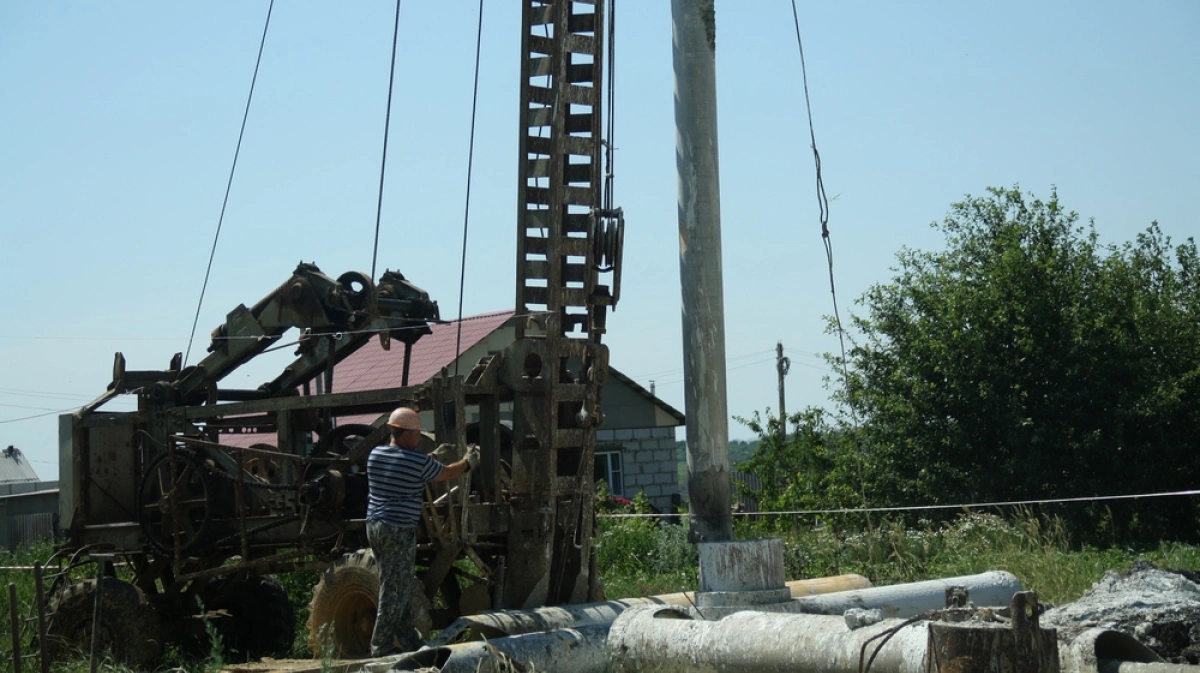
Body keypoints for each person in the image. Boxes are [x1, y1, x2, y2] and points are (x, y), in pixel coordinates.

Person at [366, 406, 479, 656]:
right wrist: (468, 462)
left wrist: (433, 456)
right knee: (393, 587)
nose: (419, 437)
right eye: (417, 433)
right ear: (405, 434)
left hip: (375, 526)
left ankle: (408, 639)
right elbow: (447, 474)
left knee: (401, 582)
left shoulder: (376, 454)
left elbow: (409, 465)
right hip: (398, 530)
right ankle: (380, 646)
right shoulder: (416, 461)